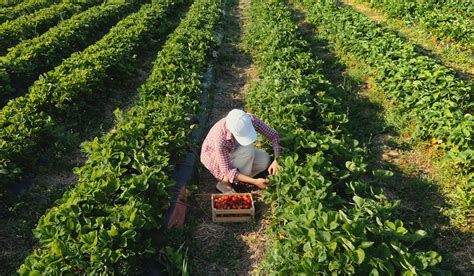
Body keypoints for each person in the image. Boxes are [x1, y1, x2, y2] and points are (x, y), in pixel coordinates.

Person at [200, 109, 282, 193]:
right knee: (248, 150)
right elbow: (227, 170)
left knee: (265, 161)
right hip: (214, 157)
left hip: (236, 149)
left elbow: (274, 135)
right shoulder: (220, 138)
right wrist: (255, 182)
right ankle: (225, 182)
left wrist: (276, 159)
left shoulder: (250, 120)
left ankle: (240, 177)